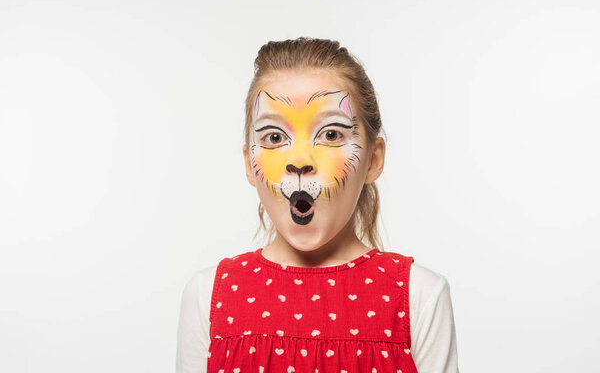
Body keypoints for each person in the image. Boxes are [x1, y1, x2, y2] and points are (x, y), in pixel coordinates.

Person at [176, 37, 459, 373]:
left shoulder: (419, 297)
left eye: (330, 135)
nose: (299, 161)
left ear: (373, 159)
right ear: (248, 162)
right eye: (275, 137)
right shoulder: (208, 296)